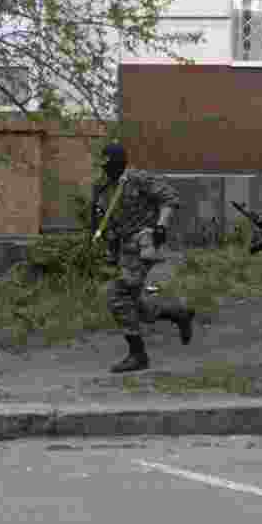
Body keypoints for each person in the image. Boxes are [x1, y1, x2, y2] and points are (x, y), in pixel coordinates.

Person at [91, 142, 195, 373]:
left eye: (111, 165)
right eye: (105, 165)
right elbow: (102, 218)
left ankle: (138, 355)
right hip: (123, 251)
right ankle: (178, 313)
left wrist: (161, 226)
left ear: (121, 163)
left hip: (143, 246)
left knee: (117, 295)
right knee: (137, 306)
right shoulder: (103, 187)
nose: (107, 170)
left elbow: (170, 198)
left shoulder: (138, 179)